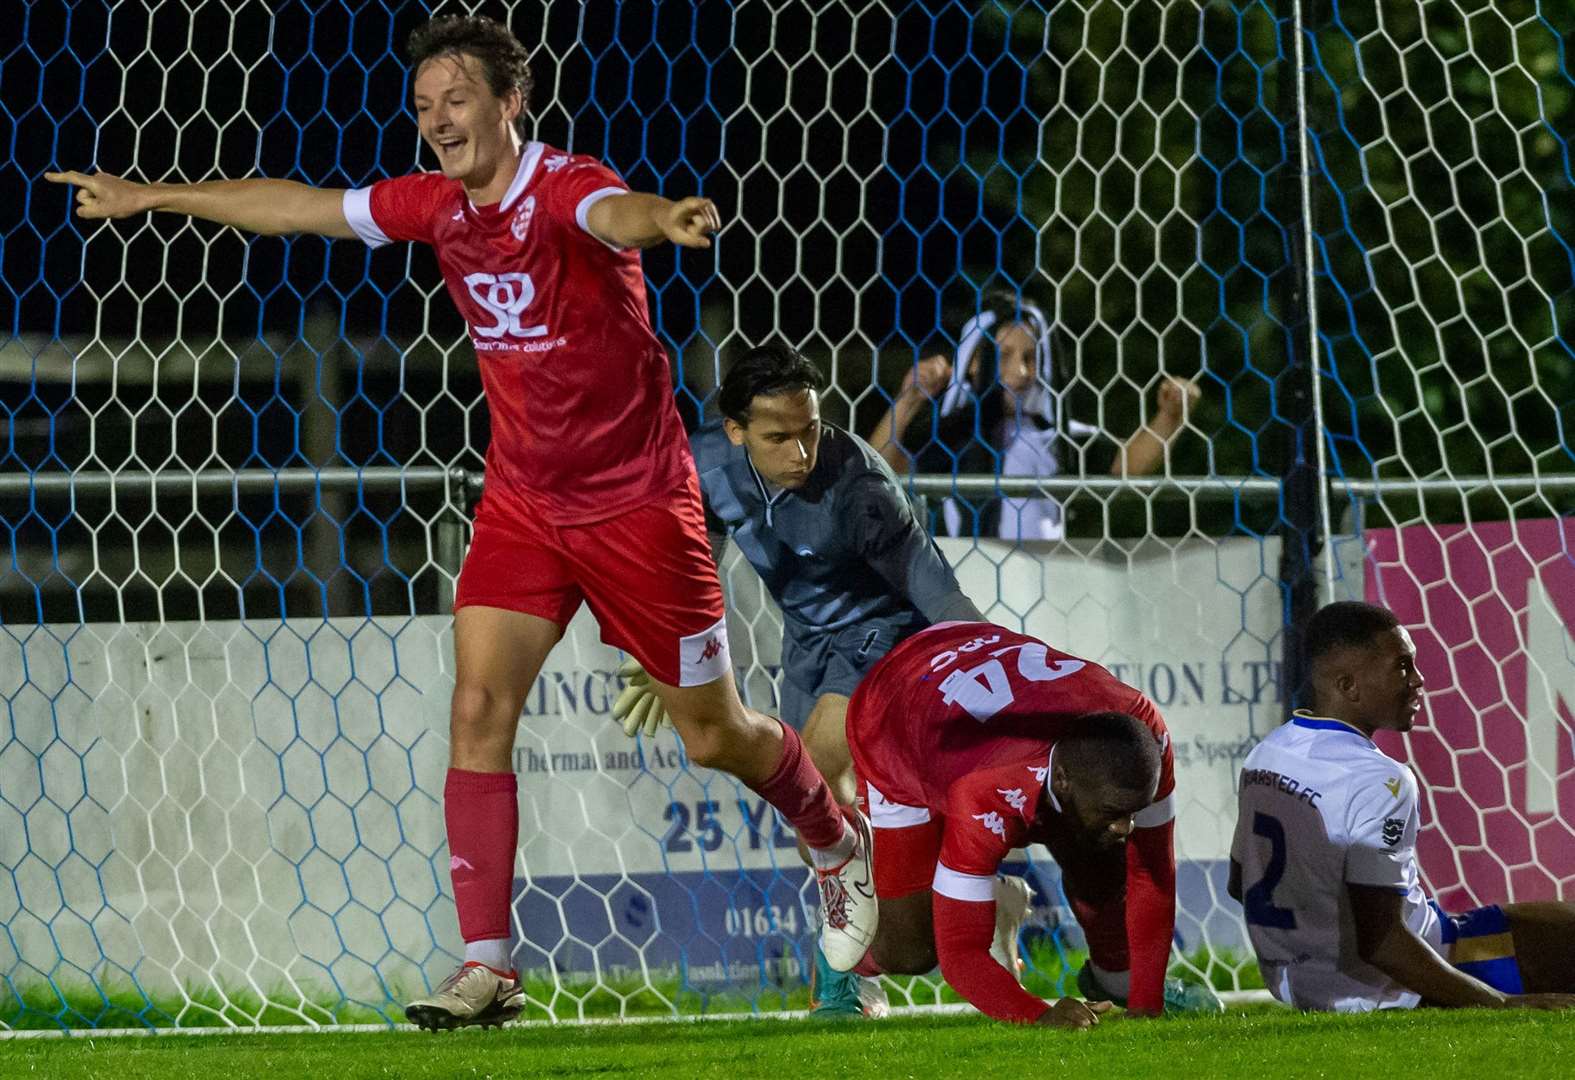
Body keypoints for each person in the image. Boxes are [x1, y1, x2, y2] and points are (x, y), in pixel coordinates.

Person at [46, 13, 876, 1030]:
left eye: (459, 100)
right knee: (479, 707)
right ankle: (491, 968)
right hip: (525, 504)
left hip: (638, 509)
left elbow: (613, 212)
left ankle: (836, 844)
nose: (439, 119)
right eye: (426, 104)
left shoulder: (563, 184)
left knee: (717, 736)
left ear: (509, 102)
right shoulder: (437, 208)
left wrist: (663, 219)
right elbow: (301, 207)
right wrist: (151, 197)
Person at [612, 342, 984, 1016]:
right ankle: (979, 915)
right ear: (735, 430)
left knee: (813, 770)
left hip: (884, 637)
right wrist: (654, 644)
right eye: (778, 437)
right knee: (809, 805)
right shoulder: (704, 462)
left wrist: (1006, 669)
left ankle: (850, 976)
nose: (800, 453)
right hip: (806, 642)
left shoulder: (863, 491)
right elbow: (684, 550)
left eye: (809, 430)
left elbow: (940, 595)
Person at [835, 618, 1223, 1023]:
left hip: (976, 661)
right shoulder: (987, 790)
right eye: (1114, 813)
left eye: (1131, 812)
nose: (1126, 825)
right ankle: (841, 946)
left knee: (1107, 849)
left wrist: (1146, 1006)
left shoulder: (1143, 732)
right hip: (895, 710)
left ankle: (1115, 979)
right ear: (1063, 781)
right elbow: (959, 955)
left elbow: (1153, 873)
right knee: (911, 949)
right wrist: (1039, 1015)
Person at [1229, 600, 1575, 1012]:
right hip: (1405, 980)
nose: (1419, 680)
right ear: (1348, 685)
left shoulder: (1266, 755)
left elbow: (1239, 883)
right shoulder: (1380, 779)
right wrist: (1501, 1004)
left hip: (1302, 984)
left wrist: (1315, 938)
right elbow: (1383, 942)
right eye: (1402, 667)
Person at [867, 292, 1200, 540]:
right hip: (971, 586)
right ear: (973, 362)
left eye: (1030, 357)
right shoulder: (953, 436)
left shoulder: (1057, 436)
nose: (1022, 371)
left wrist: (1170, 416)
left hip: (1046, 584)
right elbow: (879, 470)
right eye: (1005, 356)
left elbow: (1127, 465)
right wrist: (908, 399)